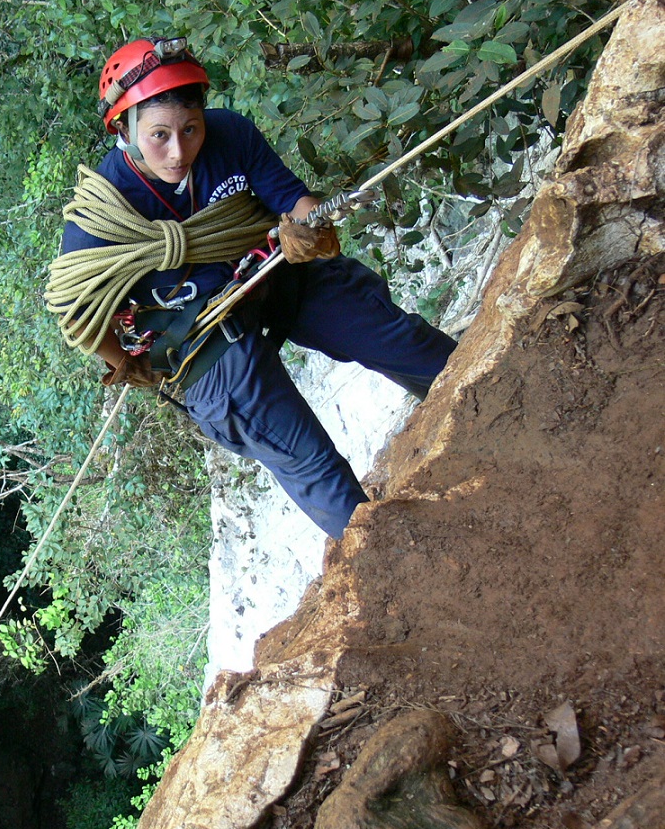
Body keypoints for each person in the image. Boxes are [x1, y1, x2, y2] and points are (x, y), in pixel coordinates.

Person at [50, 37, 457, 538]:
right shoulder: (101, 213)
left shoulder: (230, 136)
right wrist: (130, 364)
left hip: (269, 270)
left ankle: (483, 394)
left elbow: (292, 198)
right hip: (196, 336)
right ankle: (386, 560)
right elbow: (77, 313)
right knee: (306, 455)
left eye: (190, 129)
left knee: (386, 333)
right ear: (125, 127)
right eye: (159, 134)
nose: (179, 151)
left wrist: (312, 227)